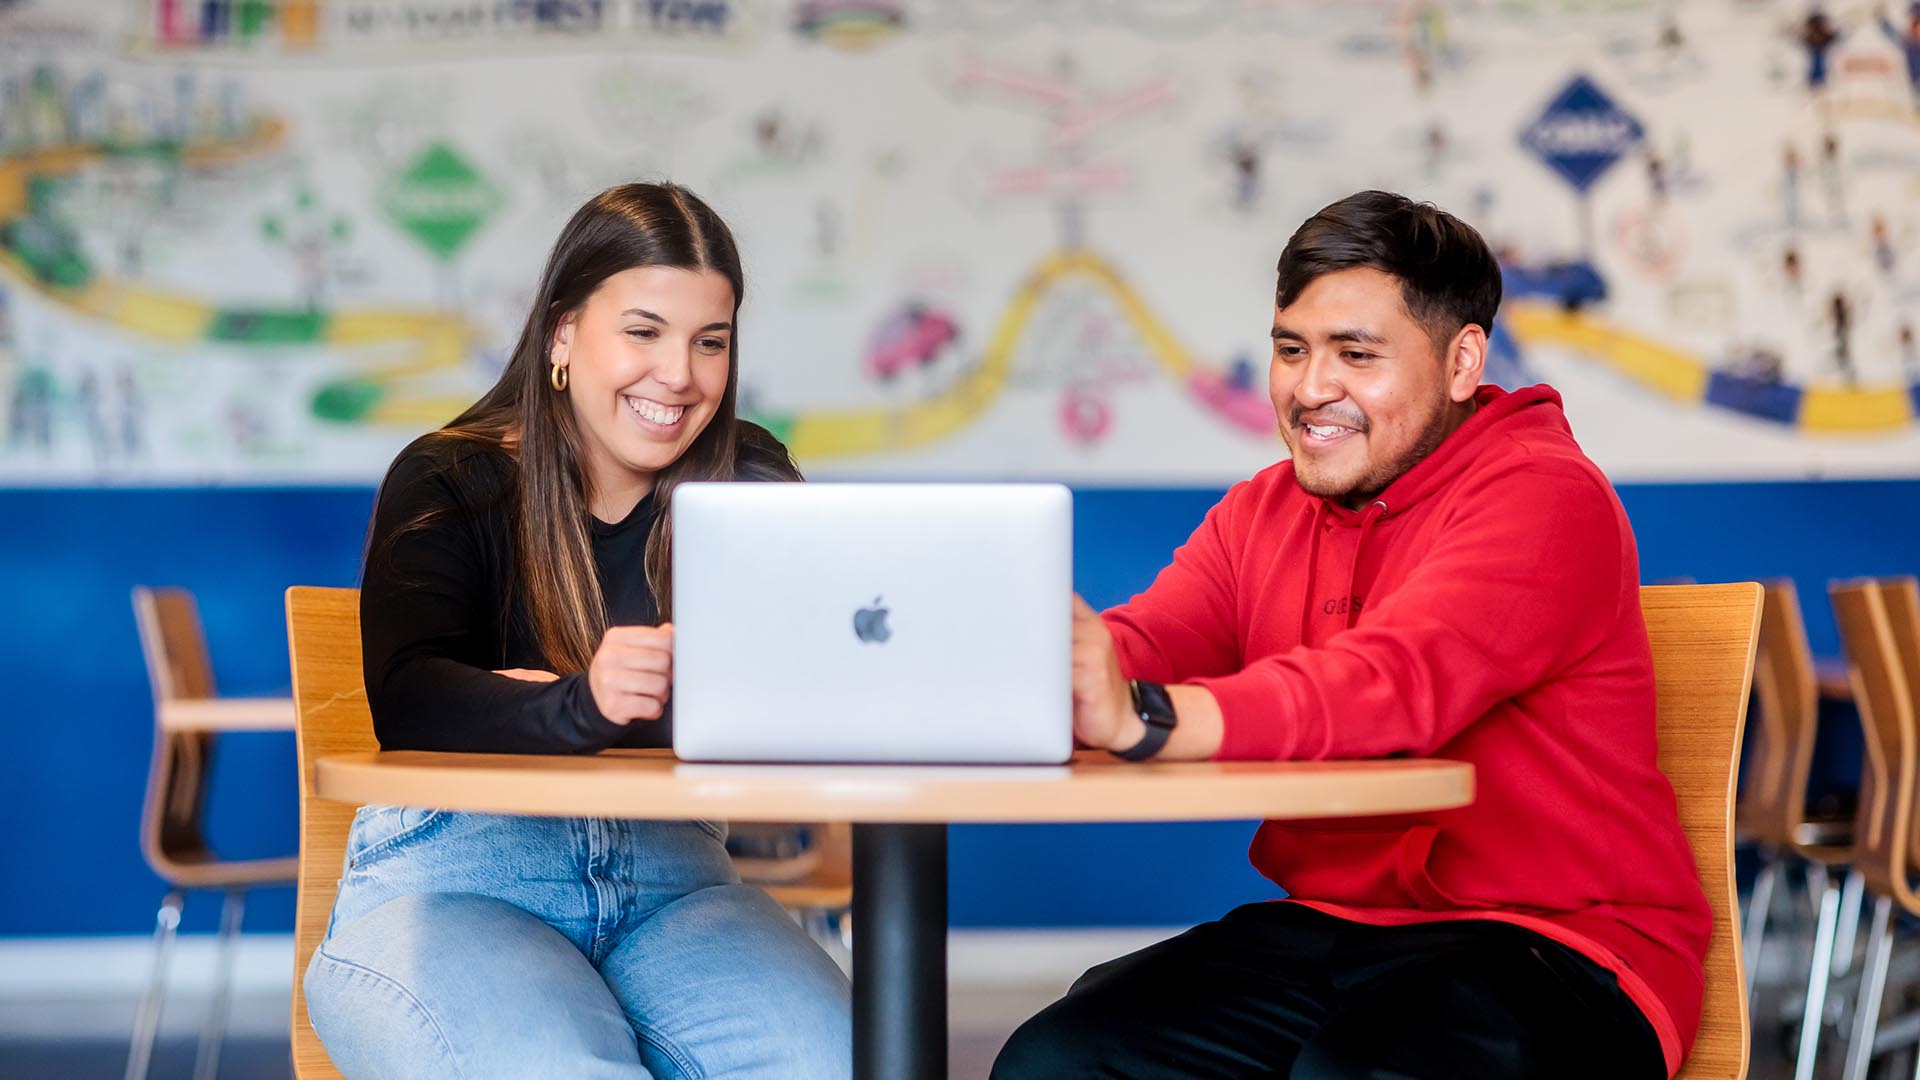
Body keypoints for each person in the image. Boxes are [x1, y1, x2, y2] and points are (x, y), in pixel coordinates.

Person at [993, 191, 1705, 1080]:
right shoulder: (1262, 508)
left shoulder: (1544, 495)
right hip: (1333, 931)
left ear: (1461, 361)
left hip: (1559, 950)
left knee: (1359, 1072)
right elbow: (1150, 640)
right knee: (1060, 1060)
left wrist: (1147, 718)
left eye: (1355, 355)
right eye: (1291, 349)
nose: (1310, 388)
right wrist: (1021, 673)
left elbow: (1390, 683)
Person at [303, 182, 851, 1079]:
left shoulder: (747, 476)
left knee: (839, 1063)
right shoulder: (451, 476)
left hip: (676, 884)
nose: (679, 374)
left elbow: (787, 692)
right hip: (456, 880)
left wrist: (537, 703)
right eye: (643, 332)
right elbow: (414, 703)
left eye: (709, 342)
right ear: (563, 333)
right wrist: (585, 704)